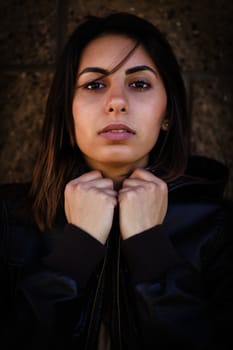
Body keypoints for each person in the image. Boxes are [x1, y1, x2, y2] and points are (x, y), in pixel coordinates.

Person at [0, 11, 232, 350]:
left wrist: (151, 249)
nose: (117, 103)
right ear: (68, 112)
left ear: (167, 113)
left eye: (139, 84)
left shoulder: (219, 230)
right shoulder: (8, 220)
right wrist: (75, 250)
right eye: (95, 84)